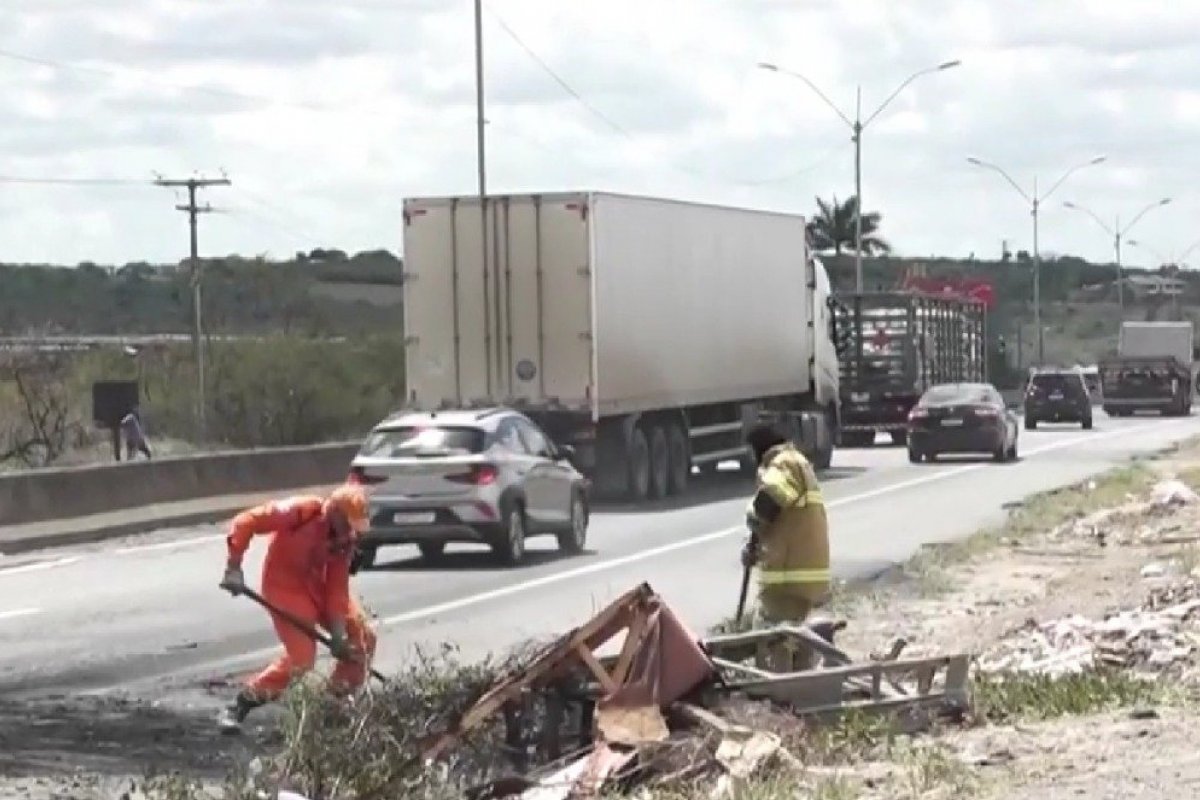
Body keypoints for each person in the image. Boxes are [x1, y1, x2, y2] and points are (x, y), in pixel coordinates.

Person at [216, 483, 378, 732]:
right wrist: (234, 567)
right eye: (347, 523)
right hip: (285, 588)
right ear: (334, 512)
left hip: (319, 588)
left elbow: (337, 589)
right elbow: (246, 521)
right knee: (301, 659)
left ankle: (332, 707)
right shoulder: (301, 512)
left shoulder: (345, 540)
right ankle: (241, 704)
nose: (349, 531)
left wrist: (337, 636)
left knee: (364, 638)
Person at [739, 420, 831, 671]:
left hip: (786, 579)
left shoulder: (782, 463)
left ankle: (779, 692)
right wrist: (756, 543)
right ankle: (802, 688)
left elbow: (772, 497)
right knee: (798, 637)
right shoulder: (800, 463)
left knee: (770, 636)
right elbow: (786, 518)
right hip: (805, 576)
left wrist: (753, 523)